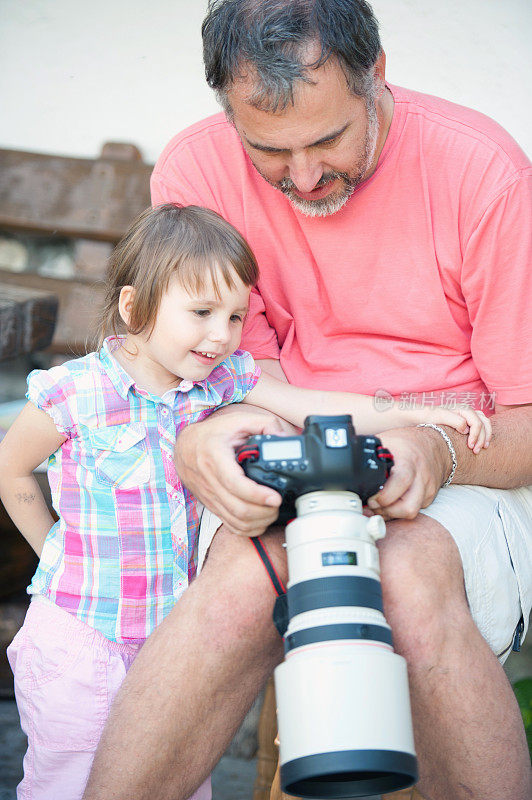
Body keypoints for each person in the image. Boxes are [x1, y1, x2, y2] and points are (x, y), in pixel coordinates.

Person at [82, 2, 532, 800]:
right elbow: (233, 382)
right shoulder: (195, 171)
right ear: (228, 112)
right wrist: (208, 439)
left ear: (377, 77)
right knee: (249, 576)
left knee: (405, 571)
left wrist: (438, 449)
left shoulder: (482, 171)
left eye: (327, 140)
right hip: (284, 439)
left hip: (467, 459)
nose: (304, 178)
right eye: (267, 150)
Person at [0, 201, 487, 800]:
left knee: (177, 776)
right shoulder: (78, 392)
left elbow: (317, 404)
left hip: (172, 638)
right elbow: (11, 469)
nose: (221, 334)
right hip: (83, 635)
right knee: (68, 780)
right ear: (134, 308)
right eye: (201, 312)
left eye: (234, 316)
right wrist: (53, 548)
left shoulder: (221, 382)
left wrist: (423, 414)